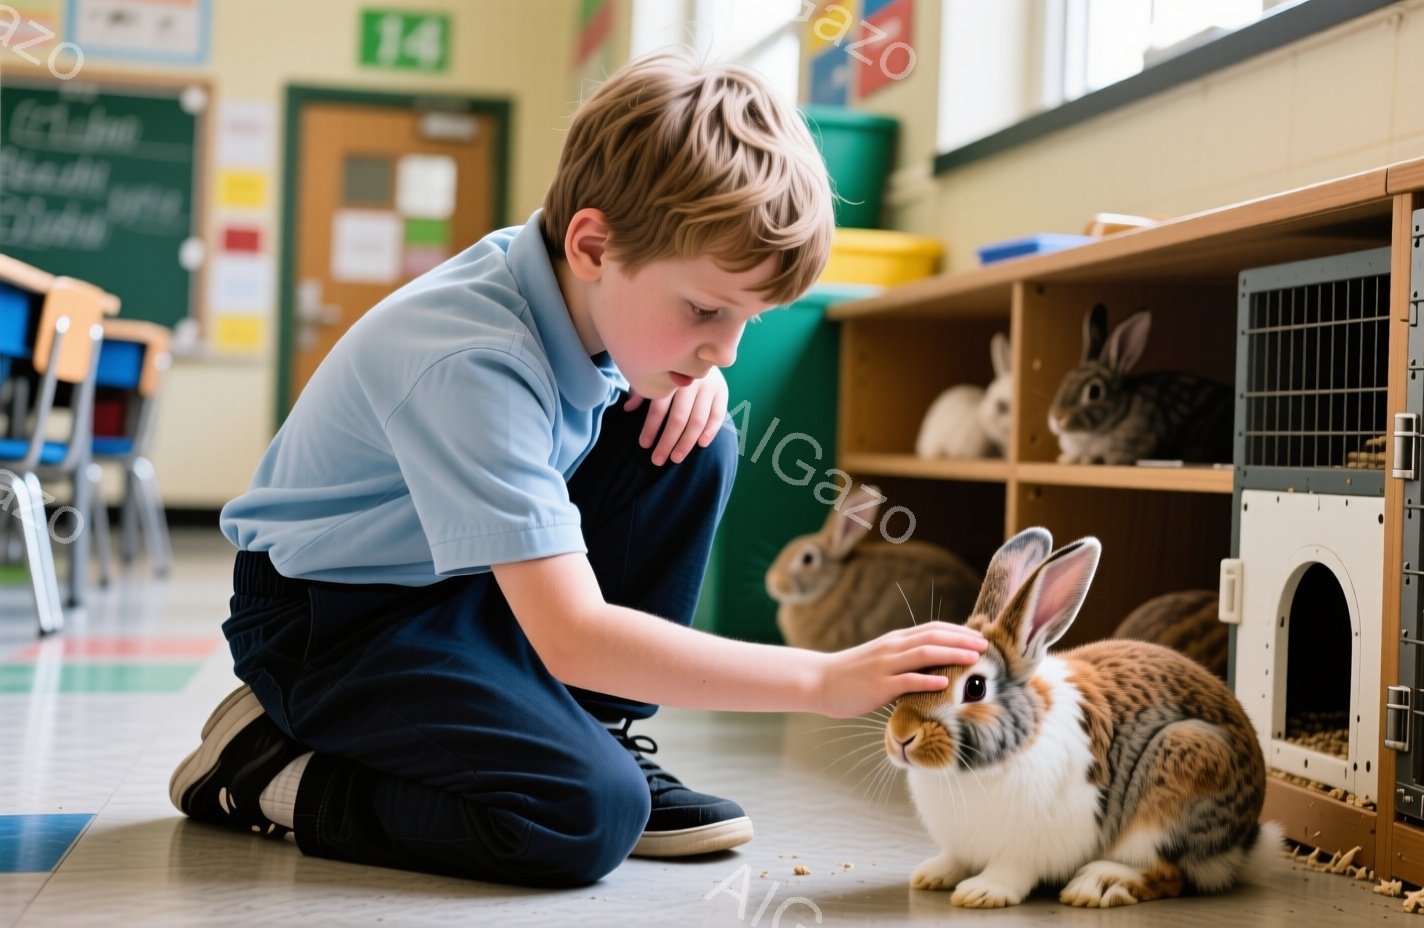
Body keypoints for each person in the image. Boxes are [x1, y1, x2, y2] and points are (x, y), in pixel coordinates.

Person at [168, 49, 986, 888]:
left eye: (747, 319)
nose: (726, 350)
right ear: (595, 243)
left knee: (695, 434)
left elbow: (663, 362)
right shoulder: (471, 358)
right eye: (706, 310)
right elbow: (572, 635)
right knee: (582, 818)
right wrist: (820, 679)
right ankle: (266, 768)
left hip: (453, 584)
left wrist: (688, 359)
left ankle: (599, 730)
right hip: (332, 622)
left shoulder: (577, 281)